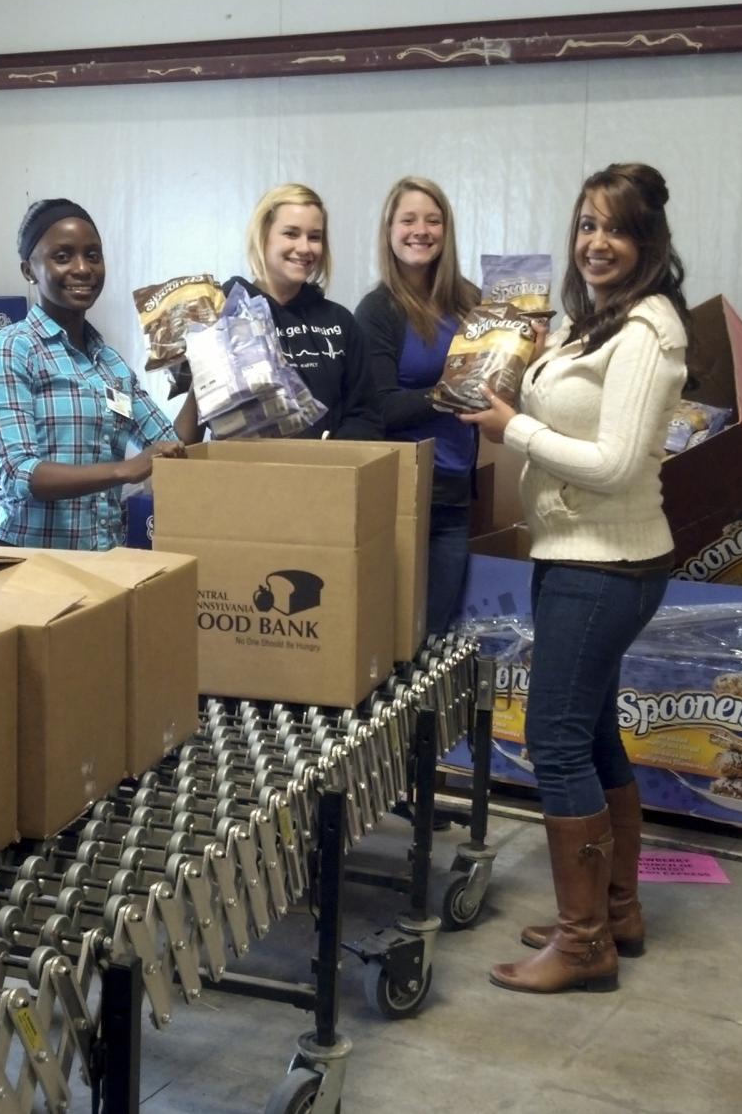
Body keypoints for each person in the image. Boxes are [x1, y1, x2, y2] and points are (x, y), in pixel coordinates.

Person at [460, 163, 691, 994]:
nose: (597, 242)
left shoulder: (646, 334)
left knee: (555, 740)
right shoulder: (598, 322)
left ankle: (585, 941)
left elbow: (618, 463)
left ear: (649, 242)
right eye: (588, 224)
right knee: (589, 733)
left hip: (606, 561)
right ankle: (615, 909)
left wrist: (512, 426)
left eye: (616, 228)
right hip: (578, 556)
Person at [0, 199, 201, 549]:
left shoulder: (110, 364)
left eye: (93, 255)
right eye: (62, 256)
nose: (83, 268)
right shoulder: (11, 350)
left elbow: (171, 445)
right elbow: (19, 472)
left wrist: (206, 379)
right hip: (28, 562)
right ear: (29, 270)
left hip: (101, 558)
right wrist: (125, 470)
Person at [354, 176, 483, 637]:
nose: (420, 230)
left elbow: (495, 385)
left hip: (454, 495)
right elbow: (380, 410)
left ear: (446, 231)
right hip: (402, 495)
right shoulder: (377, 311)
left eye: (433, 220)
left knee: (437, 637)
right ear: (389, 230)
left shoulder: (470, 301)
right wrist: (449, 394)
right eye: (408, 220)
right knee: (395, 636)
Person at [223, 183, 383, 441]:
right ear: (263, 236)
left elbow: (366, 415)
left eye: (314, 237)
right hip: (244, 474)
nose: (305, 247)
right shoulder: (225, 316)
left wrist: (328, 460)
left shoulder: (340, 322)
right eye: (291, 233)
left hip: (328, 475)